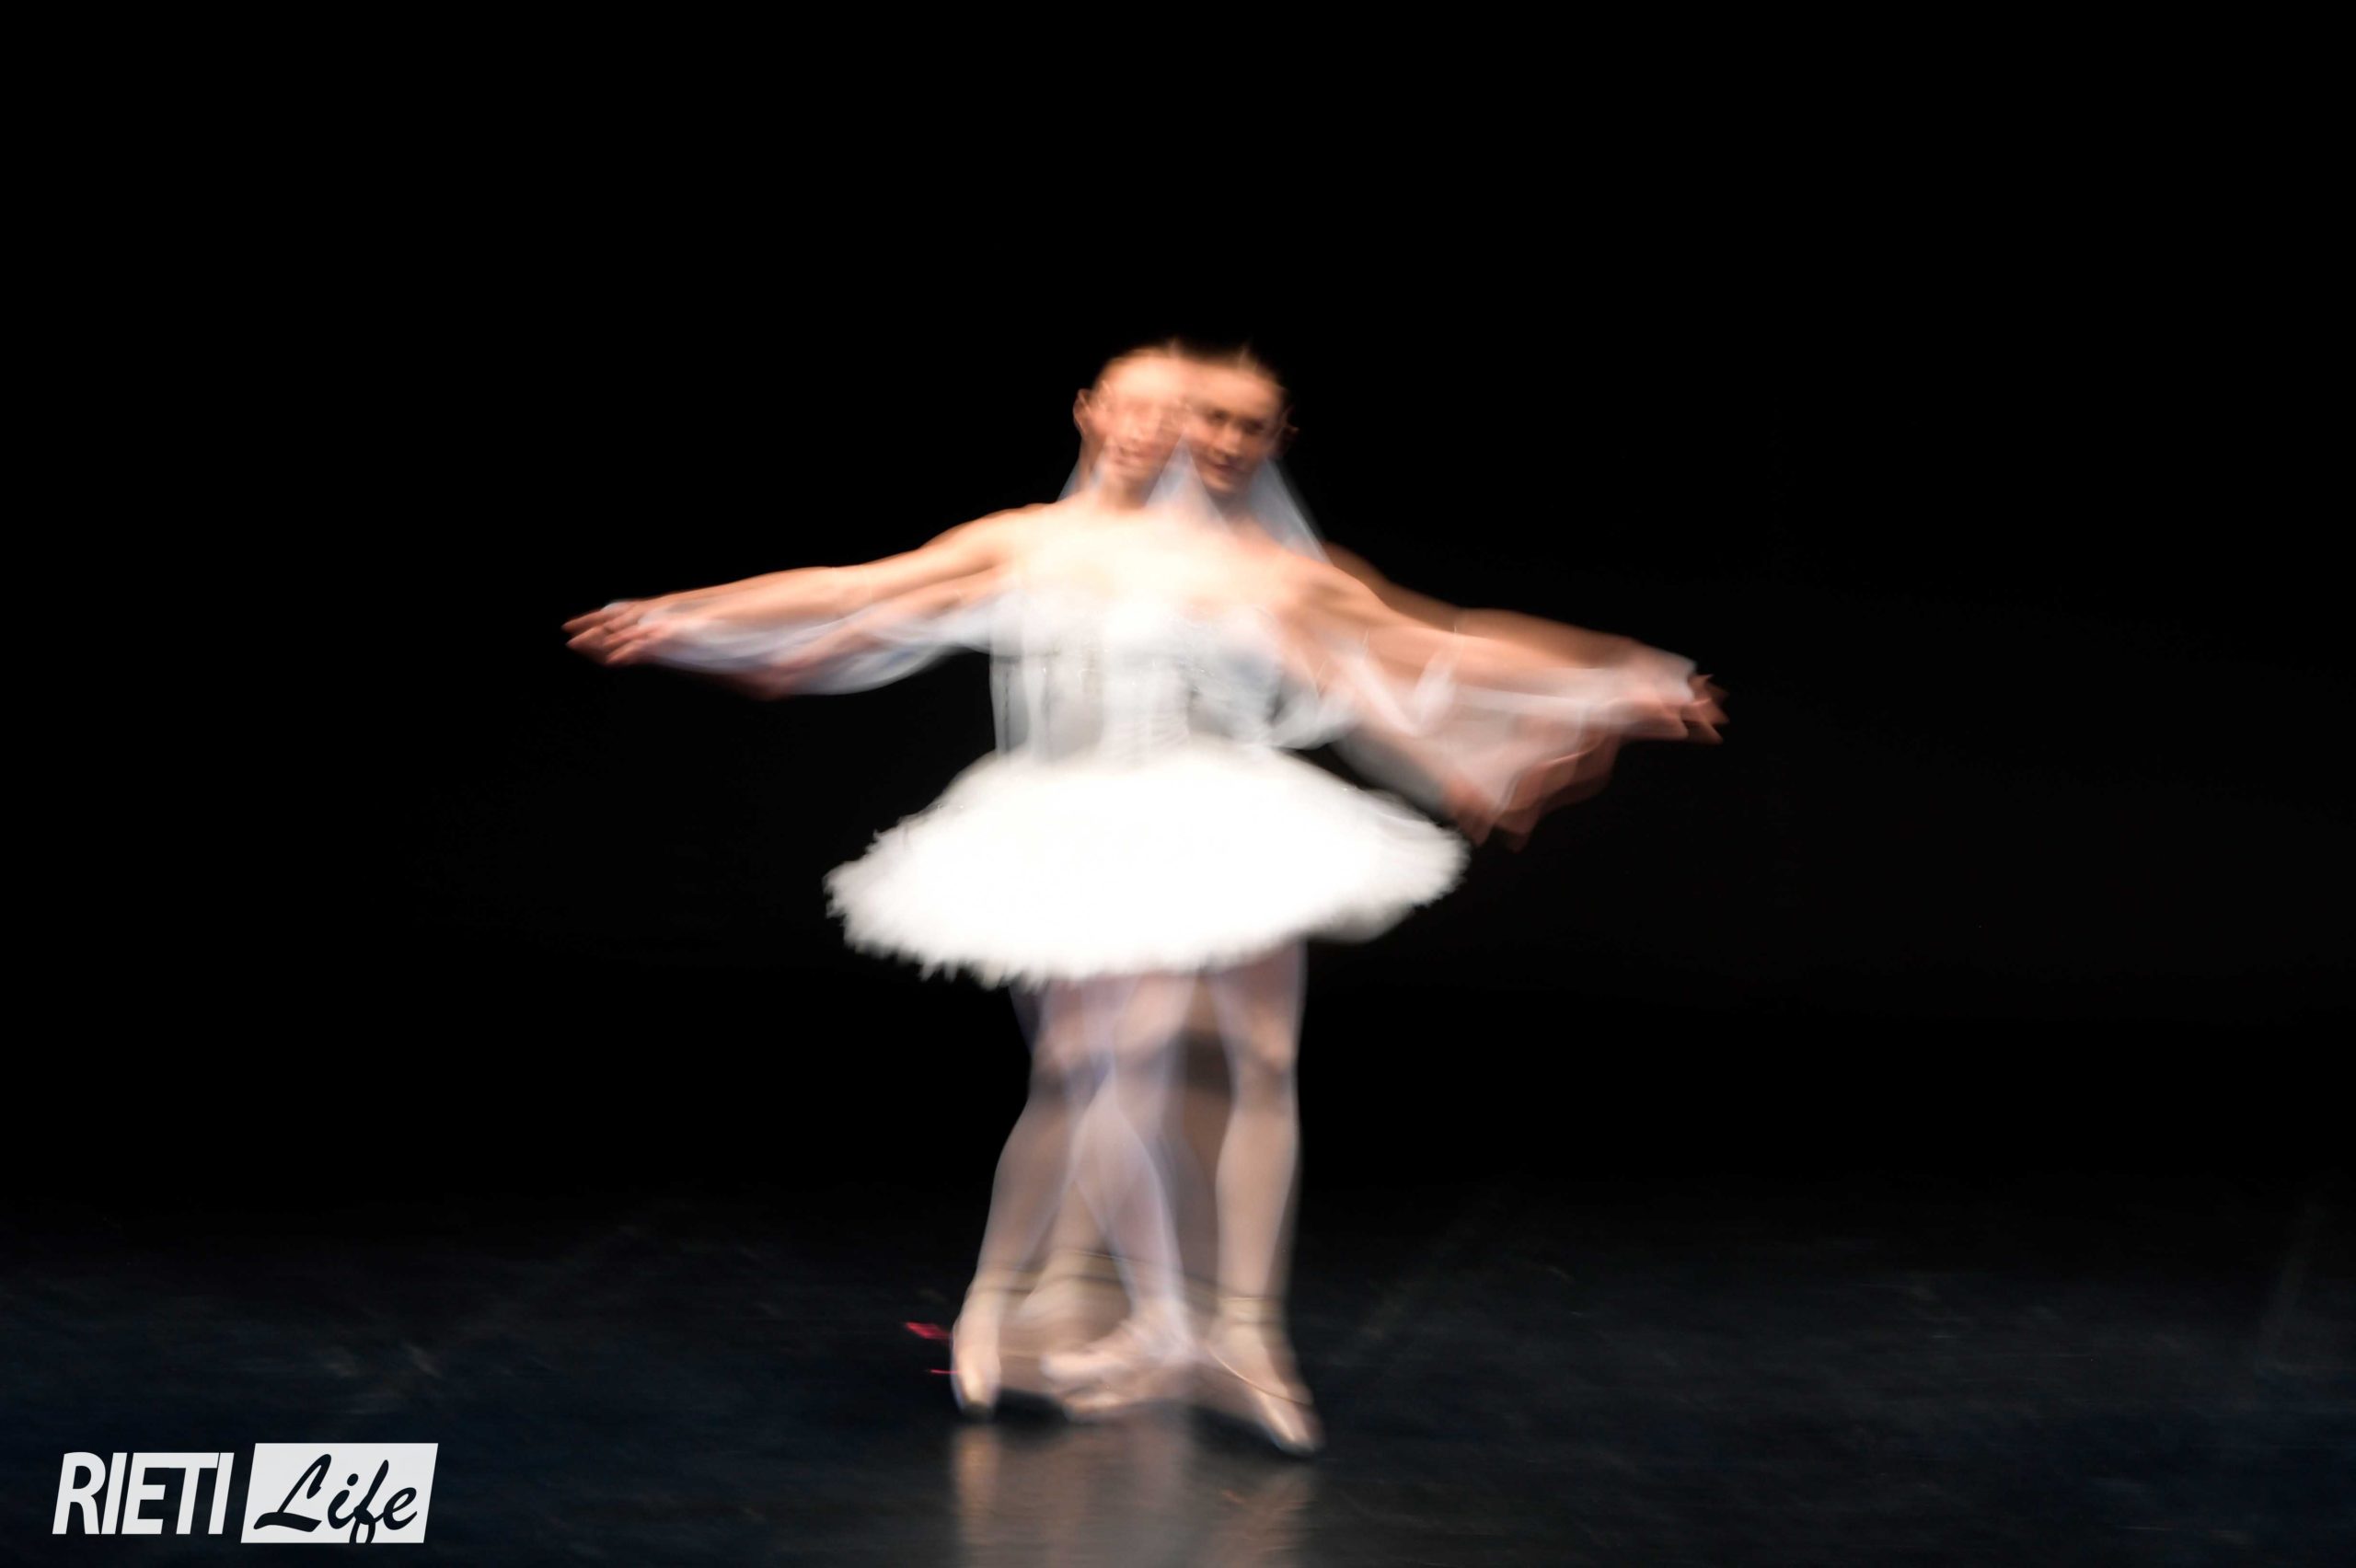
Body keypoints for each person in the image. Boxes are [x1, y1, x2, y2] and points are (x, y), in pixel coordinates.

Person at [564, 343, 1721, 1455]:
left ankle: (1226, 1332)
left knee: (1242, 1061)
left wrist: (1615, 676)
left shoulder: (1255, 569)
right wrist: (693, 615)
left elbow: (1429, 642)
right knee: (1093, 1067)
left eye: (1198, 417)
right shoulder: (1028, 541)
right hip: (1067, 817)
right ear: (1091, 411)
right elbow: (854, 589)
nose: (1172, 432)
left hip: (1218, 811)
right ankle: (1042, 1310)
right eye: (1149, 408)